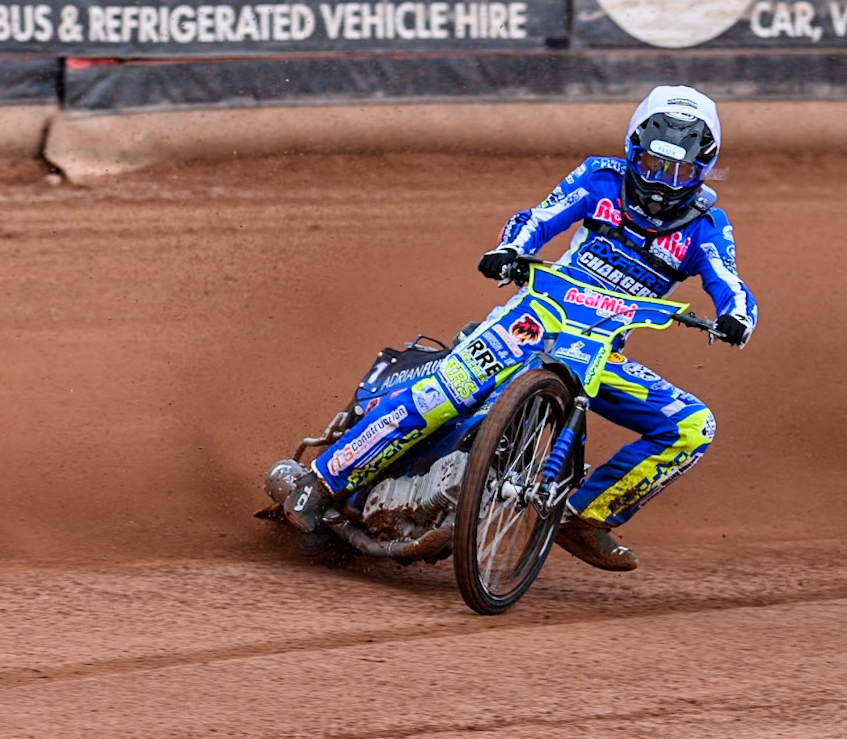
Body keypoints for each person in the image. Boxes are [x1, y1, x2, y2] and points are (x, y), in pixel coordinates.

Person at [284, 85, 755, 570]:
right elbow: (539, 218)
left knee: (693, 426)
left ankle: (583, 516)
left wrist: (737, 316)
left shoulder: (707, 226)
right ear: (633, 150)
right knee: (444, 393)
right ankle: (321, 483)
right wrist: (511, 250)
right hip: (533, 320)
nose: (663, 182)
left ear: (703, 170)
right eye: (655, 164)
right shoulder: (600, 177)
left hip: (599, 352)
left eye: (680, 171)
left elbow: (729, 282)